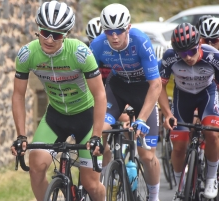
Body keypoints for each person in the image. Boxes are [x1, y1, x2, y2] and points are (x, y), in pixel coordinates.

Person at [10, 1, 106, 201]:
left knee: (91, 185)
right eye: (45, 32)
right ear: (38, 29)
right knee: (36, 166)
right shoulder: (27, 54)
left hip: (85, 117)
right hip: (56, 117)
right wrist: (21, 136)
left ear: (66, 35)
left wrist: (96, 135)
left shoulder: (80, 53)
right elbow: (18, 95)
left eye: (58, 34)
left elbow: (99, 95)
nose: (50, 39)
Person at [90, 3, 162, 201]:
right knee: (100, 130)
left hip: (143, 92)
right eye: (109, 31)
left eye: (119, 31)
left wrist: (142, 118)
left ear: (128, 27)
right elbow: (88, 81)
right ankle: (100, 183)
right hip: (117, 89)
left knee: (146, 156)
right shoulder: (97, 45)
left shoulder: (140, 41)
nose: (114, 36)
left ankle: (154, 196)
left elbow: (156, 85)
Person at [158, 22, 219, 199]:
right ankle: (181, 186)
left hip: (207, 94)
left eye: (191, 51)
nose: (187, 57)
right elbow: (158, 87)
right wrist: (167, 114)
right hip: (182, 97)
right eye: (182, 53)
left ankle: (211, 179)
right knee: (178, 145)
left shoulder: (213, 55)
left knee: (212, 134)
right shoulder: (170, 57)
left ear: (199, 44)